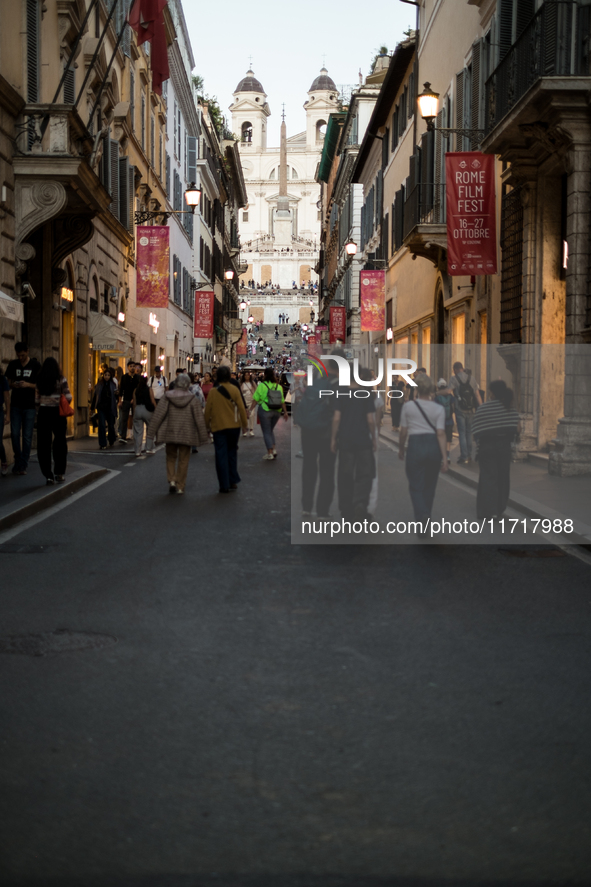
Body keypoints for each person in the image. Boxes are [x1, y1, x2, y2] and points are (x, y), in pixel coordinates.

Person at [398, 374, 448, 526]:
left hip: (416, 445)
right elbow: (441, 433)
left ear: (417, 389)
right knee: (430, 486)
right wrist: (445, 458)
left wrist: (401, 449)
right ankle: (426, 514)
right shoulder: (439, 409)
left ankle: (422, 515)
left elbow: (403, 431)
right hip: (433, 446)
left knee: (416, 485)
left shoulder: (408, 407)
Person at [147, 373, 208, 494]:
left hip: (170, 432)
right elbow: (199, 419)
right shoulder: (192, 399)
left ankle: (172, 480)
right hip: (187, 433)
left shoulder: (167, 397)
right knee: (183, 459)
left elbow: (158, 415)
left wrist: (151, 433)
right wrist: (203, 437)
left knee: (170, 457)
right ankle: (180, 486)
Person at [331, 371, 377, 521]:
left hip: (345, 440)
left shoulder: (340, 394)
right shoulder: (366, 394)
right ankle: (360, 503)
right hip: (363, 440)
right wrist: (374, 439)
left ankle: (346, 510)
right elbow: (370, 420)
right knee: (365, 474)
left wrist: (333, 438)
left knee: (345, 475)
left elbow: (336, 418)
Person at [472, 379, 520, 519]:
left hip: (487, 447)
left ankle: (486, 510)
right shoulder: (509, 408)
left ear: (492, 392)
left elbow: (476, 429)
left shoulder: (484, 408)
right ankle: (499, 508)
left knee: (488, 477)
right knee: (502, 477)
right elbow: (517, 428)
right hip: (504, 447)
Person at [204, 366, 248, 493]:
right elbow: (241, 408)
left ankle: (224, 484)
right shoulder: (234, 389)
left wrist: (206, 426)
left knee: (220, 455)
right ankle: (233, 480)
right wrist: (244, 425)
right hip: (234, 426)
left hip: (218, 427)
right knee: (232, 453)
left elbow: (208, 411)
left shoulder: (213, 392)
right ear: (229, 376)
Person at [5, 342, 41, 475]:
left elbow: (40, 385)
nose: (20, 358)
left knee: (27, 436)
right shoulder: (13, 364)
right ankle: (18, 459)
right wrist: (14, 385)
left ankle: (23, 463)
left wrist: (27, 385)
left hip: (30, 406)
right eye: (18, 355)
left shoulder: (35, 365)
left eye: (23, 355)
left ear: (28, 351)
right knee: (14, 434)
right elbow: (7, 382)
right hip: (15, 405)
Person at [35, 357, 72, 484]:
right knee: (60, 443)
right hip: (58, 413)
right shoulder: (61, 380)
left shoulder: (39, 380)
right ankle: (59, 473)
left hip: (44, 413)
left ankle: (48, 475)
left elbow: (36, 401)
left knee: (44, 445)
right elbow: (68, 397)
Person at [253, 367, 288, 460]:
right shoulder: (279, 386)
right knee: (270, 430)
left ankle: (270, 453)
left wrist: (250, 409)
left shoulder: (262, 385)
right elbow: (282, 401)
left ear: (264, 375)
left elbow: (255, 399)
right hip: (277, 411)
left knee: (266, 431)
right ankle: (274, 449)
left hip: (265, 409)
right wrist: (285, 412)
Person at [449, 361, 482, 463]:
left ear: (455, 370)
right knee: (469, 432)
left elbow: (448, 391)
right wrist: (481, 408)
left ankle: (464, 456)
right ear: (462, 368)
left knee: (462, 433)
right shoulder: (471, 378)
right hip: (471, 409)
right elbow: (477, 395)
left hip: (460, 409)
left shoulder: (454, 379)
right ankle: (469, 455)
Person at [91, 369, 118, 449]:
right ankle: (102, 443)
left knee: (111, 425)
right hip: (101, 407)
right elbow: (95, 396)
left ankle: (111, 439)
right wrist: (92, 407)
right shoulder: (99, 385)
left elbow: (116, 396)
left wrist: (117, 395)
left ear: (110, 376)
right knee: (102, 425)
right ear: (103, 376)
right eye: (105, 375)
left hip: (110, 407)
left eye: (108, 375)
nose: (106, 377)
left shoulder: (113, 385)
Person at [132, 374, 156, 456]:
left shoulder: (135, 390)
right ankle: (149, 448)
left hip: (138, 409)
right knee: (150, 429)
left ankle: (137, 451)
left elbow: (134, 403)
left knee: (138, 431)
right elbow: (152, 401)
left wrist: (134, 413)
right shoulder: (149, 389)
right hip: (147, 410)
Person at [434, 378, 455, 462]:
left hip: (440, 421)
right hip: (449, 420)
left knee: (440, 438)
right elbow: (453, 407)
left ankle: (441, 456)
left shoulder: (437, 397)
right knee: (448, 439)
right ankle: (448, 456)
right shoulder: (450, 396)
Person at [117, 361, 139, 442]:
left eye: (134, 366)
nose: (133, 368)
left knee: (135, 418)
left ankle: (136, 435)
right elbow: (121, 389)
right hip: (126, 400)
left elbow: (138, 390)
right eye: (131, 366)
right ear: (128, 368)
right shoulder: (124, 377)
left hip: (135, 401)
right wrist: (120, 401)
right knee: (124, 418)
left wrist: (135, 399)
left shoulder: (138, 378)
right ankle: (123, 436)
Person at [240, 371, 257, 437]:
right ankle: (245, 429)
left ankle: (251, 429)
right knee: (244, 416)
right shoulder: (242, 384)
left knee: (252, 415)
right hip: (244, 402)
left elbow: (256, 391)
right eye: (245, 375)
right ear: (243, 376)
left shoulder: (253, 383)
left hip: (251, 401)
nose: (247, 376)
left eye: (248, 375)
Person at [0, 366, 9, 476]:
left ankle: (4, 461)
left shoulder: (2, 379)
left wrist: (8, 415)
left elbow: (7, 398)